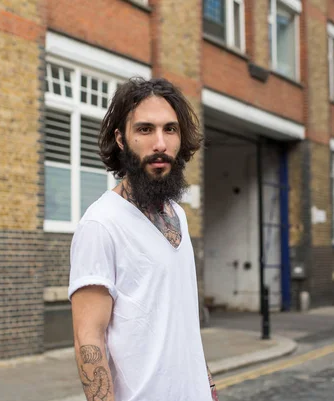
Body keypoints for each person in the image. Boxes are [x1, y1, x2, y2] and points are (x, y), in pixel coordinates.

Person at [68, 77, 218, 401]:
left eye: (170, 129)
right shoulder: (101, 224)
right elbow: (88, 338)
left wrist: (207, 385)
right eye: (145, 130)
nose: (160, 144)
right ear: (121, 140)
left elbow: (182, 319)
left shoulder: (178, 214)